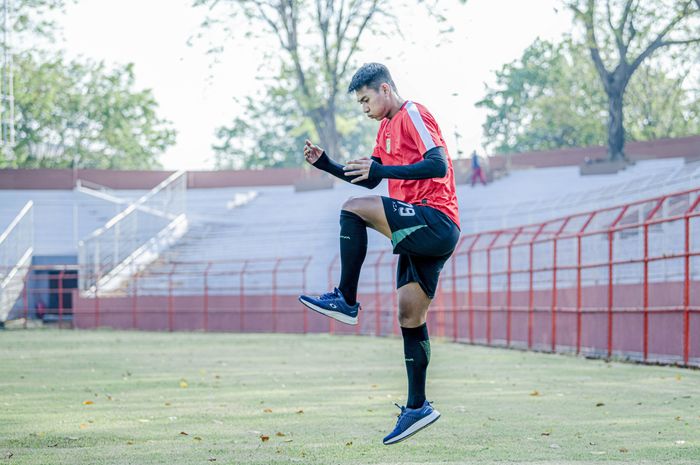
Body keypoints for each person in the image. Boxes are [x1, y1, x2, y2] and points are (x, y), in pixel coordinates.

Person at [298, 63, 460, 445]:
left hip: (435, 217)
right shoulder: (385, 129)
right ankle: (418, 407)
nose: (364, 108)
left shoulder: (412, 114)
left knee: (353, 208)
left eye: (366, 100)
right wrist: (326, 165)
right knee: (409, 314)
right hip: (419, 226)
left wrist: (386, 168)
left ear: (385, 89)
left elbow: (437, 164)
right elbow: (372, 176)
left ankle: (346, 299)